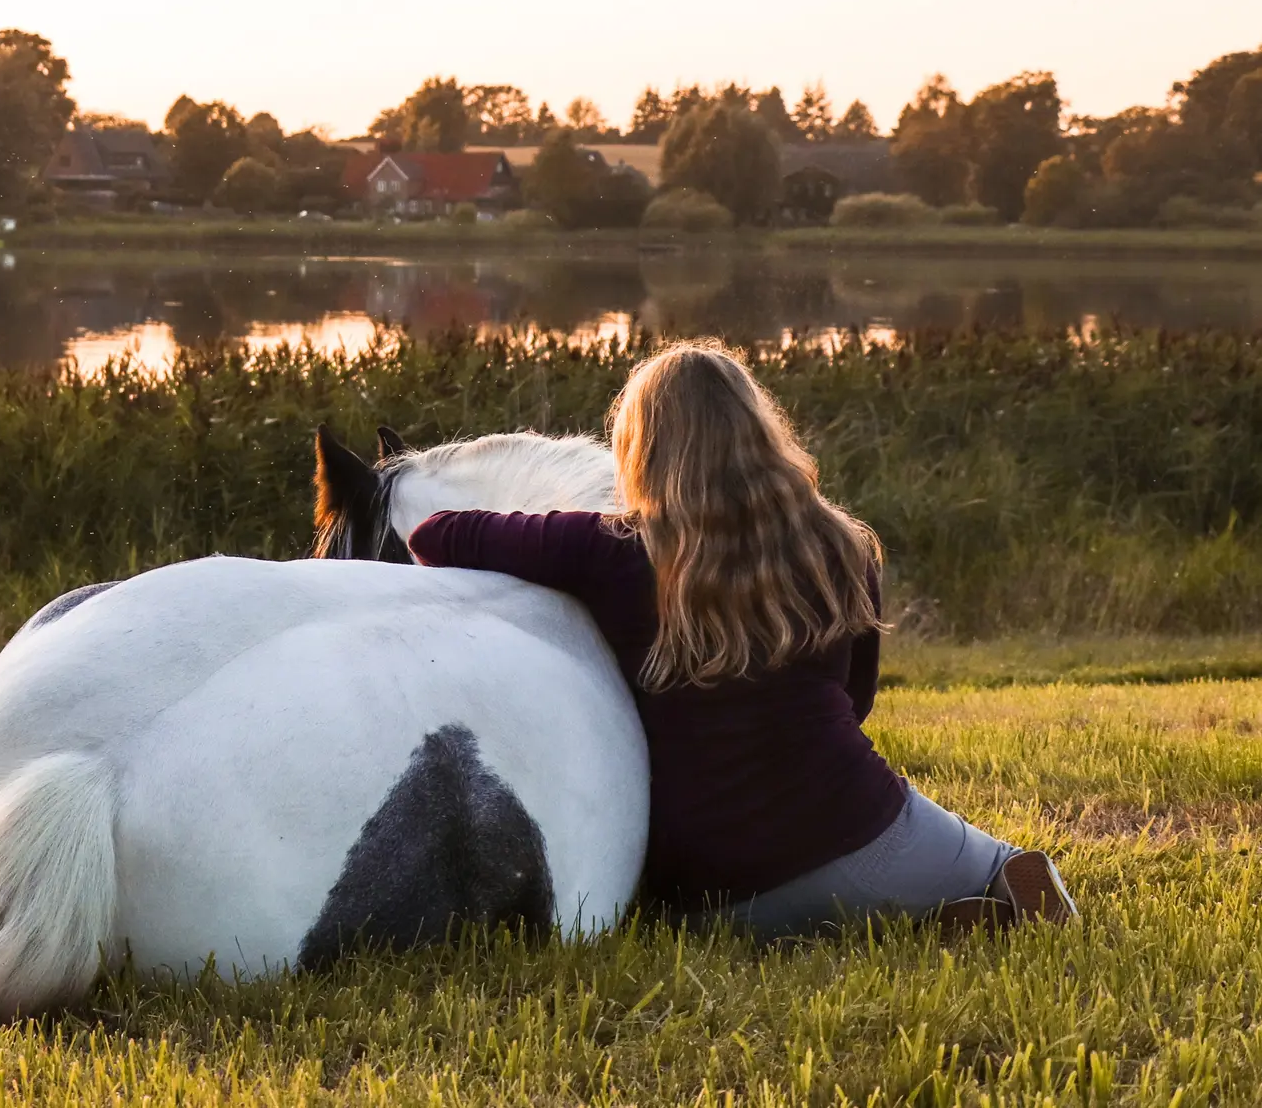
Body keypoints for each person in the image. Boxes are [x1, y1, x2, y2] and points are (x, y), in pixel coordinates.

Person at [408, 340, 1075, 938]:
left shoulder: (605, 548)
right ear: (760, 431)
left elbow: (432, 534)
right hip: (860, 833)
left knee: (780, 903)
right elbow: (855, 699)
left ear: (640, 446)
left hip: (708, 895)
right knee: (1009, 867)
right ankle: (925, 906)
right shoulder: (839, 545)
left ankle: (887, 919)